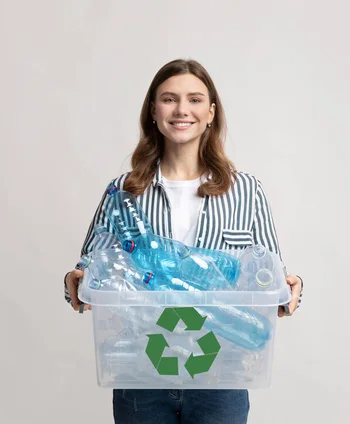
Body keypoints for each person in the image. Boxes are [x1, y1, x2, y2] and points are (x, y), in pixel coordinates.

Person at [64, 58, 303, 424]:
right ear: (153, 111)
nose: (181, 110)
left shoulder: (246, 191)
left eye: (194, 99)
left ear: (211, 112)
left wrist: (292, 289)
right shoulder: (124, 194)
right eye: (169, 98)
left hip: (221, 374)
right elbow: (89, 277)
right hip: (141, 373)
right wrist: (74, 283)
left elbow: (271, 279)